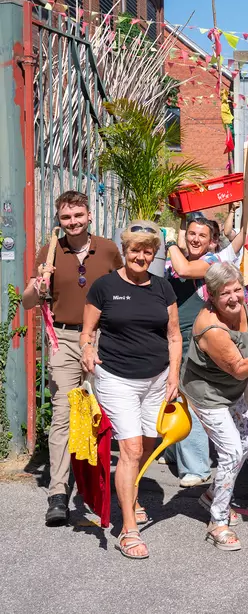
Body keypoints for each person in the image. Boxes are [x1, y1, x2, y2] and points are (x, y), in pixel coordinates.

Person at [80, 221, 182, 559]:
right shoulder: (104, 287)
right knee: (132, 448)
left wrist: (174, 375)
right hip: (117, 378)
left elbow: (173, 335)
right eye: (135, 250)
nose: (141, 256)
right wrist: (87, 349)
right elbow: (88, 330)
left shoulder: (163, 288)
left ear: (154, 254)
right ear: (125, 251)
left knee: (147, 447)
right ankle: (128, 529)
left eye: (147, 251)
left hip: (157, 379)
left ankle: (132, 494)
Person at [21, 190, 123, 526]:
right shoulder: (50, 252)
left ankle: (102, 486)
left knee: (101, 413)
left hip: (102, 339)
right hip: (63, 340)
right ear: (59, 220)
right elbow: (27, 302)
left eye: (78, 216)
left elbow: (125, 289)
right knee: (63, 414)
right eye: (66, 218)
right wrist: (39, 283)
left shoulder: (107, 249)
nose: (73, 222)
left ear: (89, 215)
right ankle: (59, 492)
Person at [180, 263, 248, 551]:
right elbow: (239, 368)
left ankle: (213, 495)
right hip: (208, 394)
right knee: (232, 452)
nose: (235, 297)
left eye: (238, 289)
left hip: (231, 390)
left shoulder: (242, 306)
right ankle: (218, 522)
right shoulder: (211, 327)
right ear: (211, 296)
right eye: (225, 293)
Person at [163, 217, 245, 487]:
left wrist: (171, 241)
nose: (195, 239)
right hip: (171, 337)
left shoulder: (211, 262)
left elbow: (185, 270)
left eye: (202, 235)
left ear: (212, 241)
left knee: (192, 403)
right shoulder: (170, 260)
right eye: (192, 233)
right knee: (171, 397)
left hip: (195, 343)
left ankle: (196, 468)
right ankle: (174, 452)